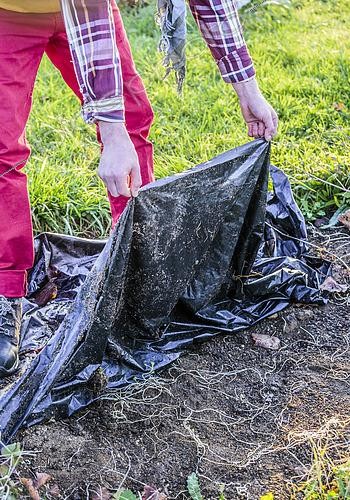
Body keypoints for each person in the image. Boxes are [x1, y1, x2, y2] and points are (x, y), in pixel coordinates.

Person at [0, 0, 278, 377]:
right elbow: (88, 10)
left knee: (131, 119)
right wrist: (111, 134)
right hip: (10, 13)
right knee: (1, 150)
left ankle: (136, 273)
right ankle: (6, 292)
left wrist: (247, 88)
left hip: (87, 11)